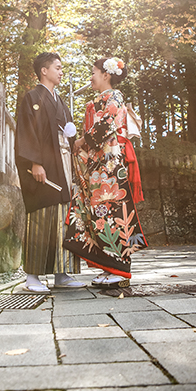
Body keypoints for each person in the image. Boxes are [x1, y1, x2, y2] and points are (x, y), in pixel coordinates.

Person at [63, 57, 147, 286]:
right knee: (100, 212)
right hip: (101, 161)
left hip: (110, 161)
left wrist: (81, 141)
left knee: (111, 210)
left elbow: (104, 126)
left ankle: (119, 268)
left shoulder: (114, 96)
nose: (91, 77)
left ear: (106, 75)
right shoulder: (102, 98)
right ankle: (109, 266)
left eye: (93, 72)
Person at [15, 52, 84, 293]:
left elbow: (68, 133)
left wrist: (73, 136)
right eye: (58, 67)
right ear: (44, 71)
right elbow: (26, 132)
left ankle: (62, 273)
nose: (61, 71)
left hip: (62, 162)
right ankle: (32, 276)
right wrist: (34, 162)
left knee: (63, 215)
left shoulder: (60, 100)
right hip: (44, 163)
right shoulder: (32, 98)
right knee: (41, 215)